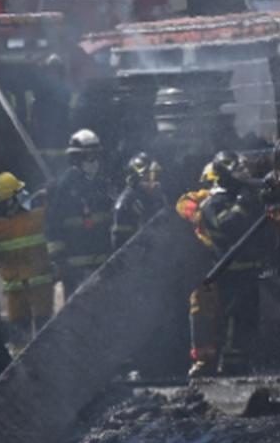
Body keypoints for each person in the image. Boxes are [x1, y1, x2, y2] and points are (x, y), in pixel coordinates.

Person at [177, 151, 264, 377]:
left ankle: (239, 360)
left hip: (247, 268)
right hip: (222, 270)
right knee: (216, 316)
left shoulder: (242, 196)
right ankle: (214, 362)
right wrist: (243, 204)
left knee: (246, 317)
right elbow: (226, 226)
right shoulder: (212, 203)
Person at [0, 172, 54, 344]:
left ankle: (20, 367)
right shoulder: (36, 218)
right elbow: (55, 213)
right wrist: (49, 193)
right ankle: (44, 363)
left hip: (15, 288)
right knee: (45, 330)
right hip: (40, 285)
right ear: (11, 199)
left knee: (20, 332)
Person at [46, 129, 115, 298]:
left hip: (103, 265)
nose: (95, 162)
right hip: (75, 269)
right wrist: (60, 261)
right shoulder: (64, 187)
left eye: (97, 156)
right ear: (76, 159)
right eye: (89, 157)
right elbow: (53, 227)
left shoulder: (102, 185)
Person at [111, 151, 164, 252]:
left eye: (156, 177)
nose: (154, 183)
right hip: (139, 261)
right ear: (135, 178)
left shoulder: (157, 198)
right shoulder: (125, 203)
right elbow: (121, 244)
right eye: (147, 178)